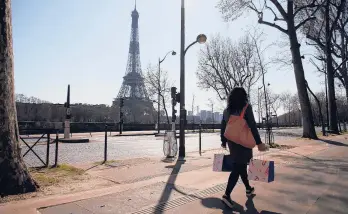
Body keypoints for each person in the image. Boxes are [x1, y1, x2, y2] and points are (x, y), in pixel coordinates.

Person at [220, 87, 268, 208]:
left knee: (240, 165)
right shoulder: (246, 107)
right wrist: (259, 142)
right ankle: (226, 195)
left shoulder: (227, 110)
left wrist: (223, 141)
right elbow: (252, 125)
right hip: (243, 141)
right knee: (238, 166)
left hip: (231, 141)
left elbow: (223, 126)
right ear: (244, 96)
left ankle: (248, 189)